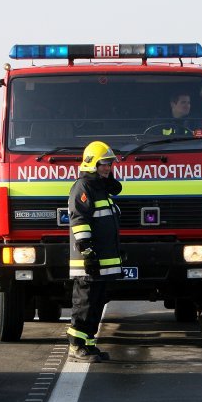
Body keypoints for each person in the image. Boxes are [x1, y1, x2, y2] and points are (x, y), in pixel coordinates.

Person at [66, 141, 123, 362]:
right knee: (84, 304)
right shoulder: (83, 187)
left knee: (96, 303)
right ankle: (76, 346)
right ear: (92, 165)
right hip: (89, 261)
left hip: (102, 262)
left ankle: (89, 344)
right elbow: (79, 221)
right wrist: (87, 252)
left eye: (109, 165)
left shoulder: (101, 189)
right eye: (103, 165)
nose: (107, 168)